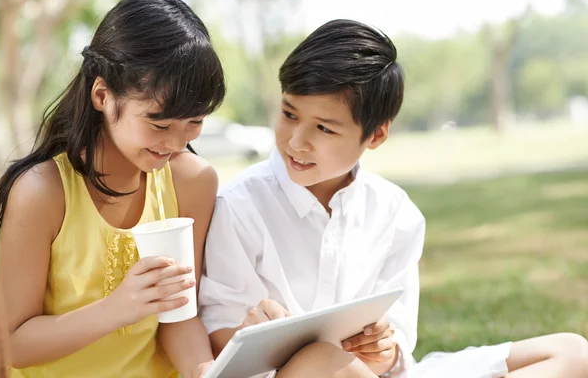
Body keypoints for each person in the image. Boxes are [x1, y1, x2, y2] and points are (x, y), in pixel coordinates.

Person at [198, 19, 588, 378]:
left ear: (377, 135)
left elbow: (396, 348)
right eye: (289, 114)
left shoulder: (395, 212)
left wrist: (384, 350)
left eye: (324, 128)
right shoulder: (240, 206)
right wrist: (246, 330)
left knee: (572, 353)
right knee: (322, 358)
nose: (297, 141)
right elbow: (218, 332)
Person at [0, 0, 225, 378]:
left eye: (194, 123)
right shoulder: (41, 192)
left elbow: (180, 316)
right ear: (102, 94)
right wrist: (118, 308)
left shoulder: (193, 182)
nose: (177, 143)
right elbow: (13, 344)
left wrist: (205, 372)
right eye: (160, 124)